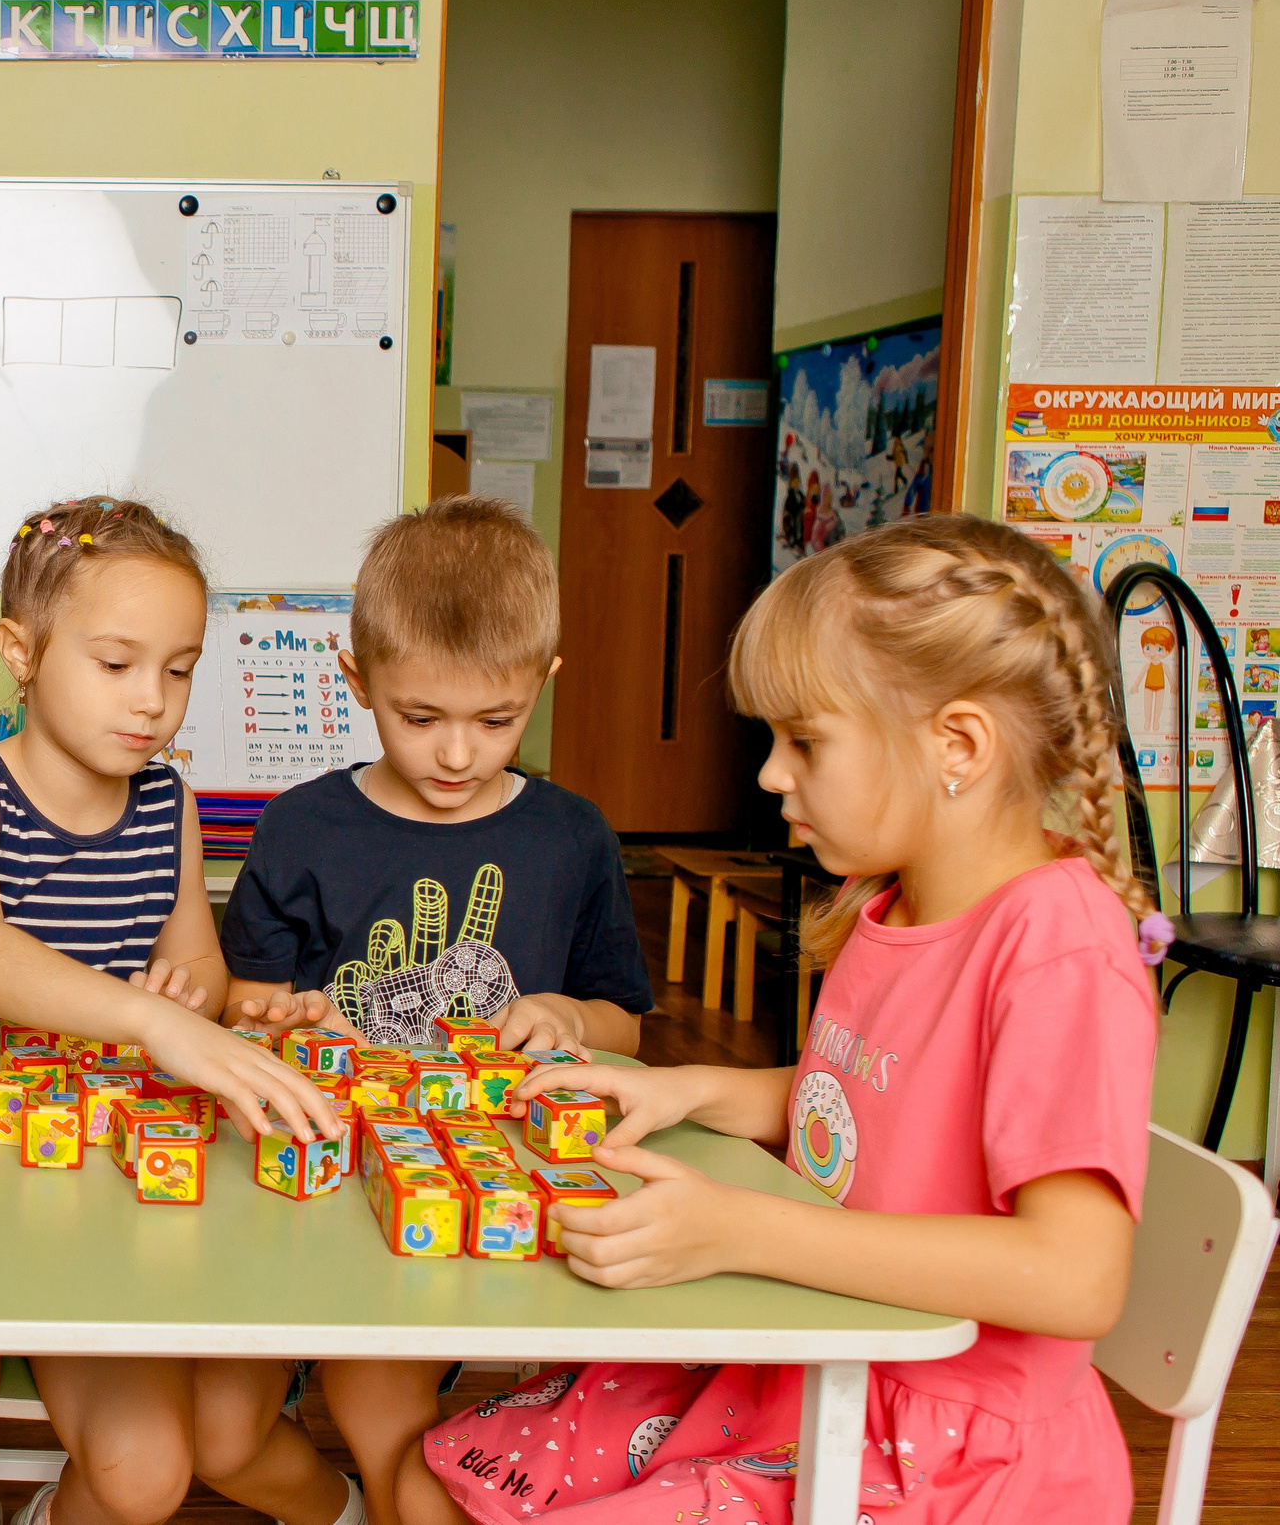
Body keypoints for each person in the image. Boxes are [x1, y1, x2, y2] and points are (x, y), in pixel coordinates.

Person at [402, 513, 1158, 1523]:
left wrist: (740, 1231)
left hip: (938, 1443)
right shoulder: (895, 902)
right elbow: (864, 1102)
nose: (768, 774)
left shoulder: (1059, 945)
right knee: (431, 1480)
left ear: (958, 746)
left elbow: (1075, 1278)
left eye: (803, 741)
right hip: (816, 1357)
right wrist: (685, 1089)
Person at [0, 495, 343, 1525]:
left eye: (178, 668)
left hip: (96, 1196)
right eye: (116, 664)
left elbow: (196, 965)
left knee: (146, 1474)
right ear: (19, 651)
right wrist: (151, 1020)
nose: (152, 700)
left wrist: (191, 997)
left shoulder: (169, 805)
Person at [196, 497, 654, 1525]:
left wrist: (568, 1018)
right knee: (216, 1438)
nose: (457, 754)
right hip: (290, 1184)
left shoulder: (572, 837)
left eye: (495, 722)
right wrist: (282, 1014)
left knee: (391, 1433)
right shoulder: (302, 825)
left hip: (451, 1199)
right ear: (355, 682)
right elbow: (239, 1000)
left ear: (541, 683)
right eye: (419, 718)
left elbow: (625, 1021)